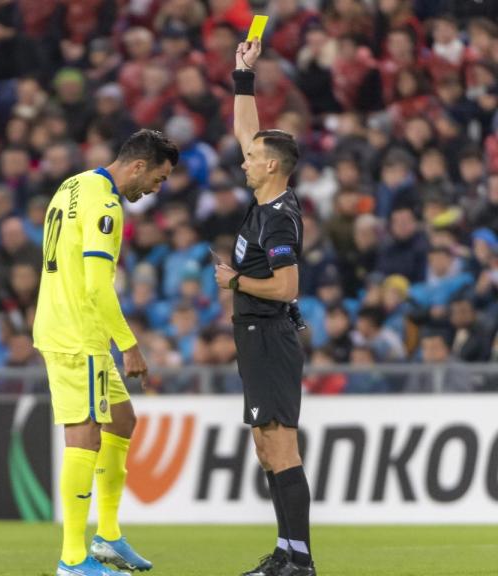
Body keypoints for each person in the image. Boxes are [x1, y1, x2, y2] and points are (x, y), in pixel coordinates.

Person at [33, 129, 178, 576]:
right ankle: (73, 559)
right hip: (77, 333)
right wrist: (130, 345)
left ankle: (108, 536)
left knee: (121, 419)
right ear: (138, 166)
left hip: (72, 326)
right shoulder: (106, 204)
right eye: (158, 178)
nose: (156, 188)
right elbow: (97, 286)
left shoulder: (74, 184)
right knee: (84, 435)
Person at [213, 39, 315, 576]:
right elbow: (245, 132)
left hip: (270, 333)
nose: (244, 159)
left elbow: (286, 286)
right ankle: (286, 552)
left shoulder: (278, 218)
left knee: (280, 446)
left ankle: (298, 560)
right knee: (264, 443)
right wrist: (242, 75)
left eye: (253, 157)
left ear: (272, 167)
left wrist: (235, 283)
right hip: (256, 337)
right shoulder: (265, 201)